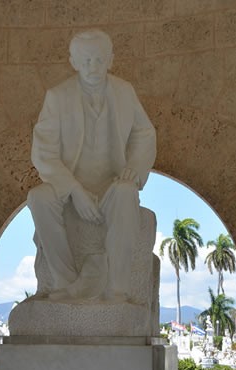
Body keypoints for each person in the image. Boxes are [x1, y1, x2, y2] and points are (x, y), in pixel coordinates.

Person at [27, 29, 156, 301]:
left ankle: (117, 288)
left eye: (99, 59)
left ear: (110, 60)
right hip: (68, 189)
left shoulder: (124, 91)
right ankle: (65, 283)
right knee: (37, 197)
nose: (92, 66)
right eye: (85, 60)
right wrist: (74, 190)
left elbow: (144, 133)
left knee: (126, 193)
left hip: (111, 184)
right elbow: (43, 153)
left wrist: (134, 166)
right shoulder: (57, 97)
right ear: (72, 61)